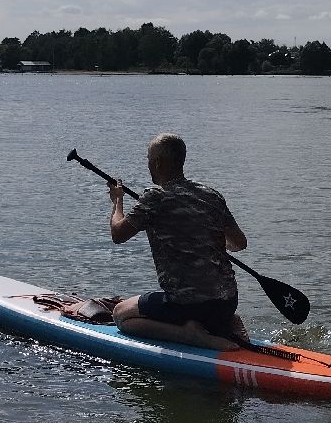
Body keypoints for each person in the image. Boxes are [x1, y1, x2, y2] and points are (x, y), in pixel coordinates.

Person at [107, 133, 249, 351]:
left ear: (156, 162)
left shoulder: (154, 198)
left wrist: (118, 201)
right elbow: (239, 243)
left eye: (148, 159)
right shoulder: (211, 195)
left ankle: (190, 335)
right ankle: (225, 323)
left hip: (187, 305)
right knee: (209, 305)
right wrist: (206, 242)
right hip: (227, 302)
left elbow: (118, 234)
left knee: (121, 315)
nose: (148, 164)